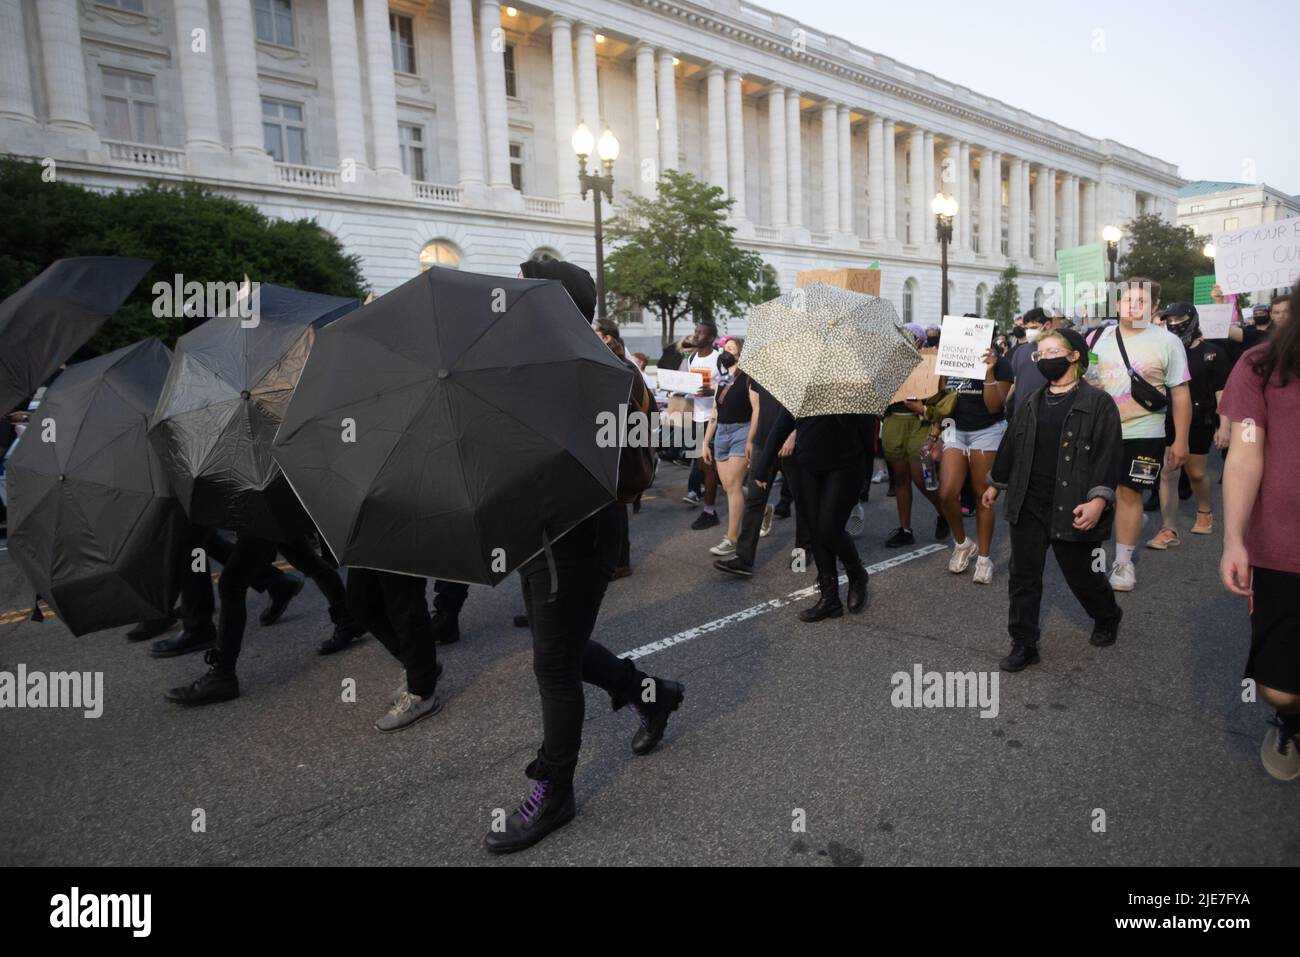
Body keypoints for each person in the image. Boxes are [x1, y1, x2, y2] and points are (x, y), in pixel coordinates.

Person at [485, 260, 685, 854]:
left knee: (554, 664)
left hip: (578, 536)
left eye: (528, 295)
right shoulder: (528, 367)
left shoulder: (606, 375)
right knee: (563, 651)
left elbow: (622, 467)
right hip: (537, 532)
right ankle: (655, 694)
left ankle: (557, 790)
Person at [985, 329, 1124, 671]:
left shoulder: (1098, 404)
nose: (1043, 359)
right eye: (1039, 354)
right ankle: (1023, 642)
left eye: (1051, 352)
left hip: (1073, 504)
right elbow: (1011, 444)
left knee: (1082, 574)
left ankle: (1107, 614)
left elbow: (1108, 455)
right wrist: (996, 483)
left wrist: (1098, 501)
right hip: (1028, 501)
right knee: (1023, 575)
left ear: (1075, 356)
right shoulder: (1032, 400)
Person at [1219, 280, 1300, 781]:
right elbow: (1246, 451)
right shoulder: (1261, 364)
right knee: (1281, 687)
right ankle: (1289, 718)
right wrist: (1234, 538)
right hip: (1282, 546)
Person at [164, 531, 362, 706]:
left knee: (231, 584)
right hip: (270, 504)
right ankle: (346, 618)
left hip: (261, 507)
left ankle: (223, 674)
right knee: (306, 560)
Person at [1083, 277, 1191, 592]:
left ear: (1155, 307)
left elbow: (1181, 394)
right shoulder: (1097, 337)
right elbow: (1085, 378)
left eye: (1142, 301)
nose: (1133, 306)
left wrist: (1180, 440)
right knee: (1105, 494)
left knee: (1129, 493)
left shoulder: (1168, 342)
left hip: (1146, 431)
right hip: (1100, 429)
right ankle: (1128, 525)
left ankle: (1123, 563)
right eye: (1128, 300)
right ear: (1117, 304)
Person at [754, 408, 872, 622]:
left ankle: (856, 573)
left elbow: (867, 432)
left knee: (829, 528)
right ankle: (830, 598)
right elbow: (782, 425)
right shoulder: (803, 385)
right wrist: (763, 466)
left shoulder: (851, 390)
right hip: (808, 465)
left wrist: (867, 476)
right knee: (816, 529)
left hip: (845, 465)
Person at [931, 317, 1013, 585]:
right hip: (955, 428)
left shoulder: (1000, 364)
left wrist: (988, 372)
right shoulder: (951, 359)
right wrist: (934, 434)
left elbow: (994, 406)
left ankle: (985, 558)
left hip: (986, 430)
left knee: (982, 497)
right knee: (945, 494)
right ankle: (963, 542)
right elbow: (941, 400)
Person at [1145, 304, 1230, 547]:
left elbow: (1221, 392)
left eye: (1179, 318)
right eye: (1169, 319)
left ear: (1192, 319)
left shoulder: (1212, 353)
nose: (1173, 323)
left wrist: (1224, 426)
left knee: (1196, 473)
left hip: (1199, 421)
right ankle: (1168, 528)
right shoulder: (1164, 351)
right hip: (1165, 419)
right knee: (1167, 473)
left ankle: (1204, 511)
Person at [881, 324, 948, 547]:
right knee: (901, 479)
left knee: (923, 479)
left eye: (912, 338)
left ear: (920, 342)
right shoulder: (889, 363)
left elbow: (941, 404)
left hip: (920, 425)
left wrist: (923, 410)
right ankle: (905, 529)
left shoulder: (929, 364)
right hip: (894, 423)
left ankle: (944, 513)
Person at [701, 344, 755, 558]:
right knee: (728, 486)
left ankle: (732, 539)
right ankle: (760, 504)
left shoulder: (750, 377)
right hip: (721, 432)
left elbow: (757, 410)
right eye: (724, 346)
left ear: (740, 353)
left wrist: (750, 438)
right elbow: (715, 411)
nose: (725, 350)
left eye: (730, 347)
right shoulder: (723, 378)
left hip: (742, 430)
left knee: (733, 485)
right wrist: (706, 441)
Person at [685, 322, 722, 529]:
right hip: (697, 416)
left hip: (713, 418)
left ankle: (710, 511)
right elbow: (691, 383)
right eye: (696, 332)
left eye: (701, 333)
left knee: (707, 465)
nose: (696, 335)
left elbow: (730, 385)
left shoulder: (717, 359)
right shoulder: (692, 358)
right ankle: (732, 488)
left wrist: (711, 392)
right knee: (701, 464)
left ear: (710, 338)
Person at [1004, 307, 1054, 418]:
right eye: (1026, 329)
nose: (1029, 332)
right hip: (1022, 414)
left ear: (1048, 325)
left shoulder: (1059, 350)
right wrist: (1003, 403)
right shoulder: (1020, 351)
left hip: (1050, 413)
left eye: (1034, 327)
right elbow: (1014, 382)